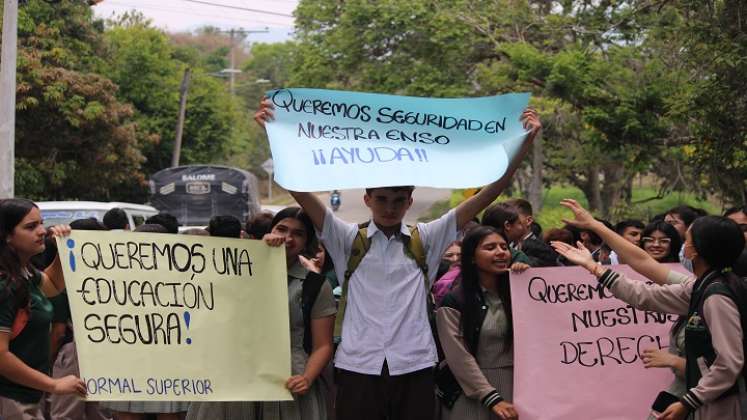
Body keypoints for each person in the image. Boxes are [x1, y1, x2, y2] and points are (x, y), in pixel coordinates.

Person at [255, 99, 541, 420]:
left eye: (398, 200)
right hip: (357, 365)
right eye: (381, 199)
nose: (389, 207)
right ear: (367, 199)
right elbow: (300, 191)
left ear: (409, 202)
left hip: (415, 364)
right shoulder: (347, 238)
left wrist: (524, 144)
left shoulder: (429, 237)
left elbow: (488, 194)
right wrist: (273, 132)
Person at [552, 199, 746, 420]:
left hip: (726, 406)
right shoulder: (703, 286)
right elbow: (645, 294)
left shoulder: (717, 296)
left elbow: (729, 364)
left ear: (694, 251)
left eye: (688, 240)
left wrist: (689, 401)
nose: (684, 245)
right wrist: (594, 266)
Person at [187, 206, 336, 420]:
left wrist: (307, 377)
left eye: (298, 233)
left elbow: (323, 345)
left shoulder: (316, 285)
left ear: (307, 242)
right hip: (234, 376)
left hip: (289, 382)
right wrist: (256, 252)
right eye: (281, 229)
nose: (288, 238)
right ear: (270, 230)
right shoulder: (234, 268)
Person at [0, 198, 86, 420]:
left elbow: (54, 285)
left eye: (41, 223)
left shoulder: (24, 273)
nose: (42, 231)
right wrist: (54, 384)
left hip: (25, 397)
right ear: (7, 236)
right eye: (30, 227)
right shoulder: (4, 285)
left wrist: (61, 249)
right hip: (9, 401)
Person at [100, 222, 189, 420]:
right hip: (131, 362)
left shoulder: (182, 279)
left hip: (169, 363)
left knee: (169, 414)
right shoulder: (117, 279)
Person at [436, 226, 517, 420]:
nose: (500, 252)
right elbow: (458, 356)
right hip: (471, 394)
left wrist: (527, 279)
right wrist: (490, 397)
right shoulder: (455, 301)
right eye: (490, 248)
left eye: (504, 247)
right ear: (472, 257)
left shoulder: (519, 294)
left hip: (518, 389)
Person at [48, 219, 112, 420]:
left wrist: (48, 362)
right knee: (99, 412)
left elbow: (58, 331)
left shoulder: (61, 281)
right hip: (105, 350)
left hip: (72, 353)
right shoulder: (111, 277)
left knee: (66, 412)